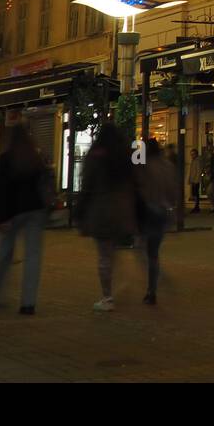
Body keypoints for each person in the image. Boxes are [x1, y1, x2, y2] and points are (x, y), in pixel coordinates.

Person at [0, 123, 49, 314]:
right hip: (35, 211)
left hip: (12, 212)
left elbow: (2, 191)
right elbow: (43, 185)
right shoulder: (35, 158)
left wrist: (1, 218)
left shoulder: (5, 159)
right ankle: (28, 303)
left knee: (2, 254)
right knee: (33, 256)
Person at [76, 123, 137, 311]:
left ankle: (107, 295)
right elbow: (134, 182)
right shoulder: (124, 156)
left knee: (104, 254)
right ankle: (121, 282)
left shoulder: (95, 156)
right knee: (113, 250)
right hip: (120, 209)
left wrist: (80, 211)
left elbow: (86, 185)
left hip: (101, 209)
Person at [136, 138, 176, 305]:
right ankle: (152, 288)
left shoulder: (143, 166)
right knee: (153, 252)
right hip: (162, 211)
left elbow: (138, 188)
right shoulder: (168, 166)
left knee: (142, 250)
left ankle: (153, 286)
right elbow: (172, 191)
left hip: (147, 212)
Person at [188, 147, 202, 213]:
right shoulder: (193, 161)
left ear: (196, 154)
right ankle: (196, 206)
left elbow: (198, 171)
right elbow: (191, 171)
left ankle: (197, 206)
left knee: (196, 194)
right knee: (194, 194)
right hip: (193, 180)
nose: (192, 156)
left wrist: (196, 180)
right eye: (191, 154)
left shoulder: (197, 161)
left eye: (193, 154)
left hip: (195, 180)